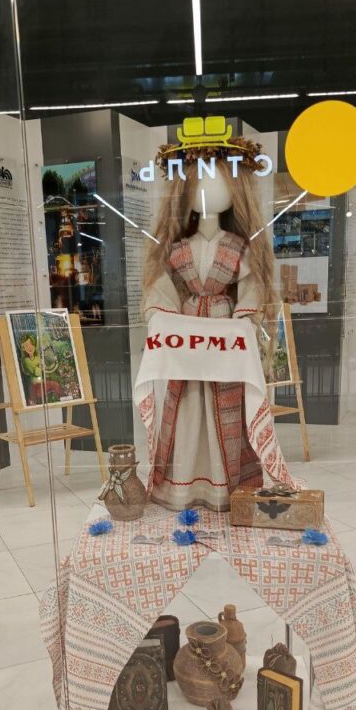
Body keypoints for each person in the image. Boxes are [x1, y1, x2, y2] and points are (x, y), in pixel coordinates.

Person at [142, 140, 276, 512]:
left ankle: (223, 485)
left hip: (222, 334)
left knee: (224, 405)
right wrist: (160, 316)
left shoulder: (239, 247)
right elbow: (162, 290)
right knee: (187, 407)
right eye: (198, 184)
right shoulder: (177, 248)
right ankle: (184, 484)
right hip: (188, 335)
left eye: (219, 184)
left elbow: (251, 290)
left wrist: (244, 321)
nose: (207, 192)